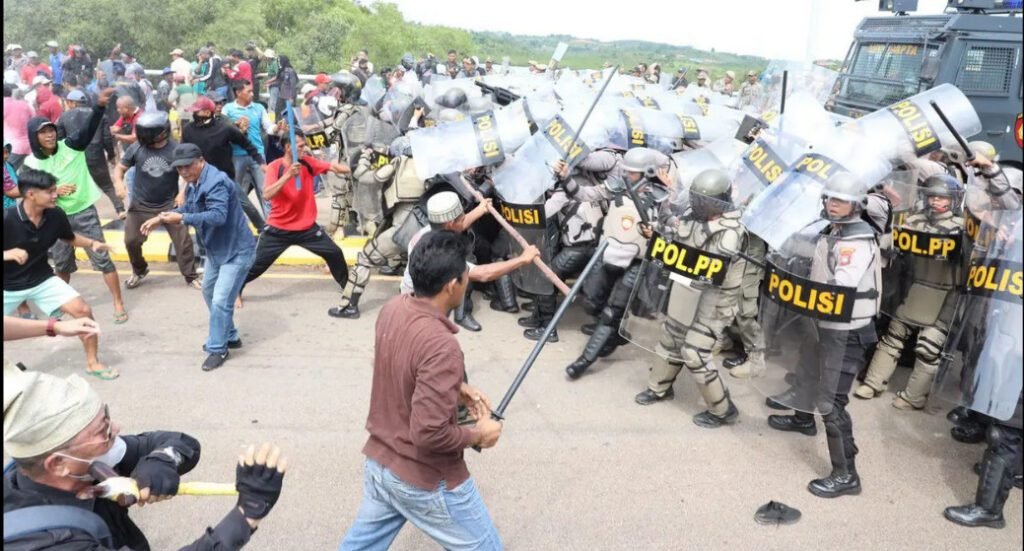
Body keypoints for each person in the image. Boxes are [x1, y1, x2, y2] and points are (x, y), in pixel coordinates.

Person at [2, 363, 288, 550]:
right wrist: (245, 516)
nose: (115, 430)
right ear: (58, 463)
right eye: (102, 429)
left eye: (107, 417)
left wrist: (162, 460)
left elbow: (181, 442)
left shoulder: (80, 463)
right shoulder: (49, 543)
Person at [339, 229, 504, 550]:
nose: (467, 278)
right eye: (465, 273)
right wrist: (479, 434)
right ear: (451, 286)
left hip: (381, 464)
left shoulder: (394, 309)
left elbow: (404, 368)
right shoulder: (442, 346)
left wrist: (455, 387)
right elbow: (429, 433)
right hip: (424, 478)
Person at [764, 173, 882, 498]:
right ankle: (803, 420)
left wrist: (803, 289)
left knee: (831, 403)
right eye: (829, 198)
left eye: (840, 200)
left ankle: (846, 475)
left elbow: (841, 285)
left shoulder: (856, 241)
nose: (832, 204)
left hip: (846, 331)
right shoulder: (834, 229)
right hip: (824, 322)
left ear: (856, 205)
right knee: (806, 374)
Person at [632, 169, 749, 428]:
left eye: (702, 201)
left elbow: (709, 266)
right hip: (686, 285)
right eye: (695, 198)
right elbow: (677, 236)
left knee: (695, 352)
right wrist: (656, 238)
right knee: (670, 336)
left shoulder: (732, 230)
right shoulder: (693, 215)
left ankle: (723, 410)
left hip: (716, 298)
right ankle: (659, 388)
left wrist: (671, 247)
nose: (696, 204)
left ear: (718, 202)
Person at [140, 144, 256, 371]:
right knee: (208, 291)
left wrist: (181, 219)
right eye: (179, 168)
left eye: (188, 166)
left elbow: (217, 216)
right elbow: (189, 208)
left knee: (221, 300)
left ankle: (218, 348)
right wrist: (162, 218)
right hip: (216, 250)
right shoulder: (195, 182)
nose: (184, 172)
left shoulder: (216, 182)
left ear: (200, 160)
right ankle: (230, 334)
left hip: (236, 251)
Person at [855, 174, 964, 408]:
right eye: (932, 196)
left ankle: (914, 397)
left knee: (928, 348)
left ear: (953, 201)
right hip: (914, 288)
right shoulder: (912, 221)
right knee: (892, 337)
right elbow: (891, 243)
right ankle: (873, 383)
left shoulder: (961, 230)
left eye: (941, 198)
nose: (936, 201)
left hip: (945, 293)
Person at [23, 93, 129, 327]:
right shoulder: (31, 163)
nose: (50, 135)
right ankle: (59, 307)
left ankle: (118, 303)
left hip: (84, 211)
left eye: (51, 130)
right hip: (54, 217)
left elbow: (90, 127)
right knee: (61, 266)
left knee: (102, 259)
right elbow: (29, 194)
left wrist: (100, 106)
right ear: (34, 136)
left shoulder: (71, 146)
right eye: (43, 132)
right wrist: (54, 192)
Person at [3, 168, 117, 379]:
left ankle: (93, 363)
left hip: (42, 279)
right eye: (50, 191)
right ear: (30, 194)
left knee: (82, 310)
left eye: (55, 190)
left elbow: (69, 237)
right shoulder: (7, 218)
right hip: (7, 286)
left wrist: (93, 243)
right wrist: (7, 253)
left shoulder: (55, 215)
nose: (56, 195)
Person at [240, 130, 351, 307]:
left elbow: (333, 167)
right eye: (300, 146)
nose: (304, 148)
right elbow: (267, 194)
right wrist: (288, 175)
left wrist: (355, 171)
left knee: (334, 253)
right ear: (287, 147)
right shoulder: (275, 167)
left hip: (307, 229)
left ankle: (347, 287)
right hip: (278, 229)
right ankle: (236, 289)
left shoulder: (307, 163)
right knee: (255, 266)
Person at [114, 112, 201, 290]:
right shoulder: (137, 148)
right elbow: (120, 168)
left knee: (183, 242)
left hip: (169, 204)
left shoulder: (175, 150)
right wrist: (118, 184)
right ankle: (140, 270)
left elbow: (187, 174)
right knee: (131, 241)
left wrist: (183, 192)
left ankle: (190, 276)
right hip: (140, 204)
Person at [181, 97, 266, 232]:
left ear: (208, 113)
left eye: (198, 111)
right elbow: (183, 152)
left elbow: (246, 144)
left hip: (224, 177)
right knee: (197, 208)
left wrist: (260, 161)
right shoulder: (188, 130)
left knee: (244, 203)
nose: (194, 114)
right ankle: (204, 243)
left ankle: (263, 228)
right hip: (199, 178)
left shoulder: (225, 128)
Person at [56, 89, 124, 219]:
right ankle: (120, 209)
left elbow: (60, 140)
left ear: (71, 103)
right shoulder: (99, 115)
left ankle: (73, 213)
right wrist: (111, 155)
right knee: (106, 185)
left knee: (73, 186)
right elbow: (107, 138)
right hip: (95, 154)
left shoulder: (64, 117)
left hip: (74, 157)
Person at [223, 81, 276, 224]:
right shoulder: (228, 109)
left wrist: (277, 129)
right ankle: (234, 222)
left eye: (252, 91)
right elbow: (222, 128)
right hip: (236, 155)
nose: (252, 94)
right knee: (235, 190)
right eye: (248, 91)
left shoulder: (258, 108)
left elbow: (268, 127)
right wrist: (236, 126)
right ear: (238, 93)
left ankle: (272, 224)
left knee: (265, 190)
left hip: (257, 155)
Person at [3, 83, 35, 170]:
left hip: (13, 148)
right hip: (30, 147)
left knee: (7, 175)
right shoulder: (24, 105)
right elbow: (35, 122)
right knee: (26, 177)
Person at [261, 49, 280, 119]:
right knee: (271, 102)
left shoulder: (274, 63)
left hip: (275, 85)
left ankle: (272, 120)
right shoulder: (269, 63)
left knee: (272, 103)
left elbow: (277, 75)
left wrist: (268, 82)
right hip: (272, 84)